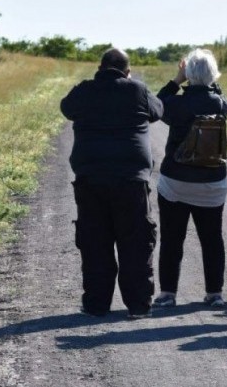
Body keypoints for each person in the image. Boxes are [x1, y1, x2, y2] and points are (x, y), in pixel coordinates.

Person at [60, 48, 163, 319]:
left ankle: (96, 304)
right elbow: (158, 110)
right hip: (131, 180)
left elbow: (65, 108)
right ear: (127, 71)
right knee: (136, 244)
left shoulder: (85, 90)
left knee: (95, 243)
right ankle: (139, 305)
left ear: (100, 67)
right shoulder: (137, 90)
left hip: (90, 179)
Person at [152, 49, 227, 309]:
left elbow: (157, 104)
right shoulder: (221, 103)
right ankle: (214, 293)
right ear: (213, 74)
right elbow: (220, 96)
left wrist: (177, 80)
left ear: (187, 74)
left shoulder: (177, 104)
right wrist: (210, 83)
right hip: (212, 184)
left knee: (172, 238)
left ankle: (167, 294)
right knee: (212, 239)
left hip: (175, 180)